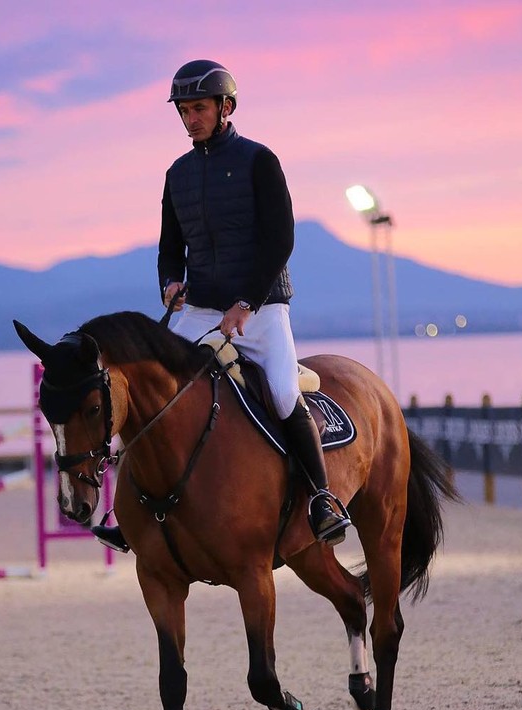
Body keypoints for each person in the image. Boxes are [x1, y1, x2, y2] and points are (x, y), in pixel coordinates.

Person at [92, 59, 350, 553]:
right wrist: (170, 283)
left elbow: (281, 241)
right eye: (184, 111)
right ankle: (130, 511)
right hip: (201, 310)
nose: (191, 119)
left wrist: (246, 304)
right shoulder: (177, 174)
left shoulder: (260, 160)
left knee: (279, 392)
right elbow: (170, 246)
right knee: (152, 392)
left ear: (225, 107)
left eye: (199, 109)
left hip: (263, 308)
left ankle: (321, 498)